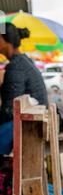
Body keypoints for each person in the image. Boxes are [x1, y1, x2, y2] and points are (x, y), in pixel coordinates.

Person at [0, 22, 48, 155]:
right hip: (34, 121)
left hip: (30, 126)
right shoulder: (24, 61)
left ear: (6, 40)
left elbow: (9, 110)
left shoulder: (15, 67)